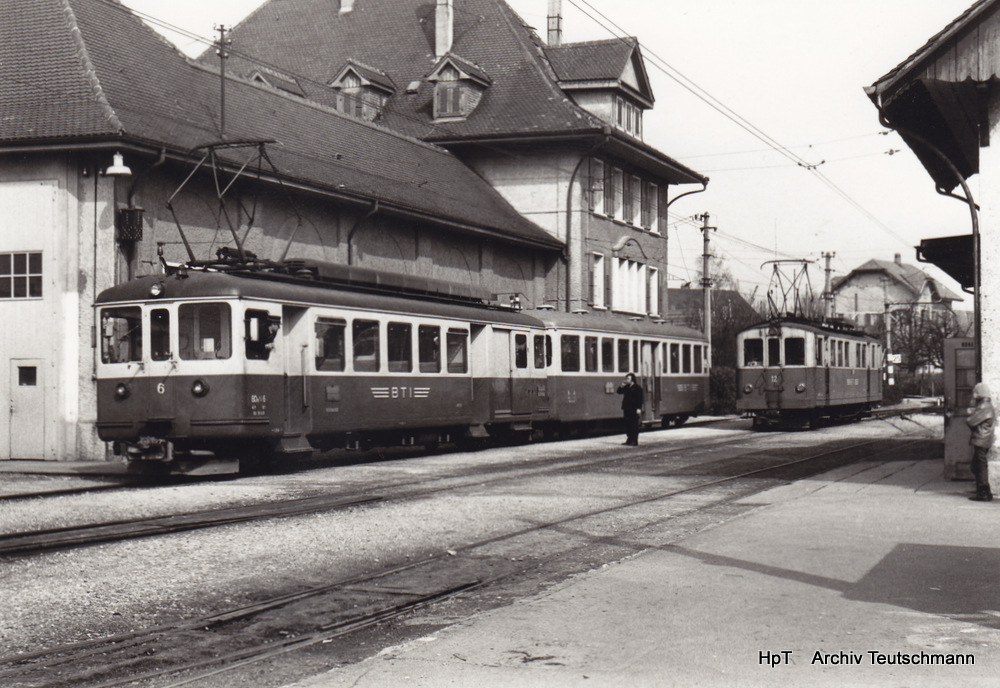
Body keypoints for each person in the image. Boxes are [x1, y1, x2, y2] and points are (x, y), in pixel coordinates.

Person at [967, 382, 995, 502]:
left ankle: (983, 491)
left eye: (975, 392)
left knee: (980, 466)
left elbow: (970, 421)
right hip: (984, 439)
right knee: (976, 465)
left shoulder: (983, 407)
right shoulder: (987, 406)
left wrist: (970, 413)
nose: (973, 394)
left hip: (981, 439)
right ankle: (984, 490)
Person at [617, 373, 643, 446]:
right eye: (626, 379)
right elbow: (619, 391)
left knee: (634, 425)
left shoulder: (637, 388)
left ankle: (634, 441)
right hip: (627, 408)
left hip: (634, 408)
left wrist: (639, 408)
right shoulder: (626, 387)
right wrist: (621, 385)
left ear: (632, 380)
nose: (626, 380)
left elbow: (640, 399)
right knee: (627, 424)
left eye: (628, 379)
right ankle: (629, 439)